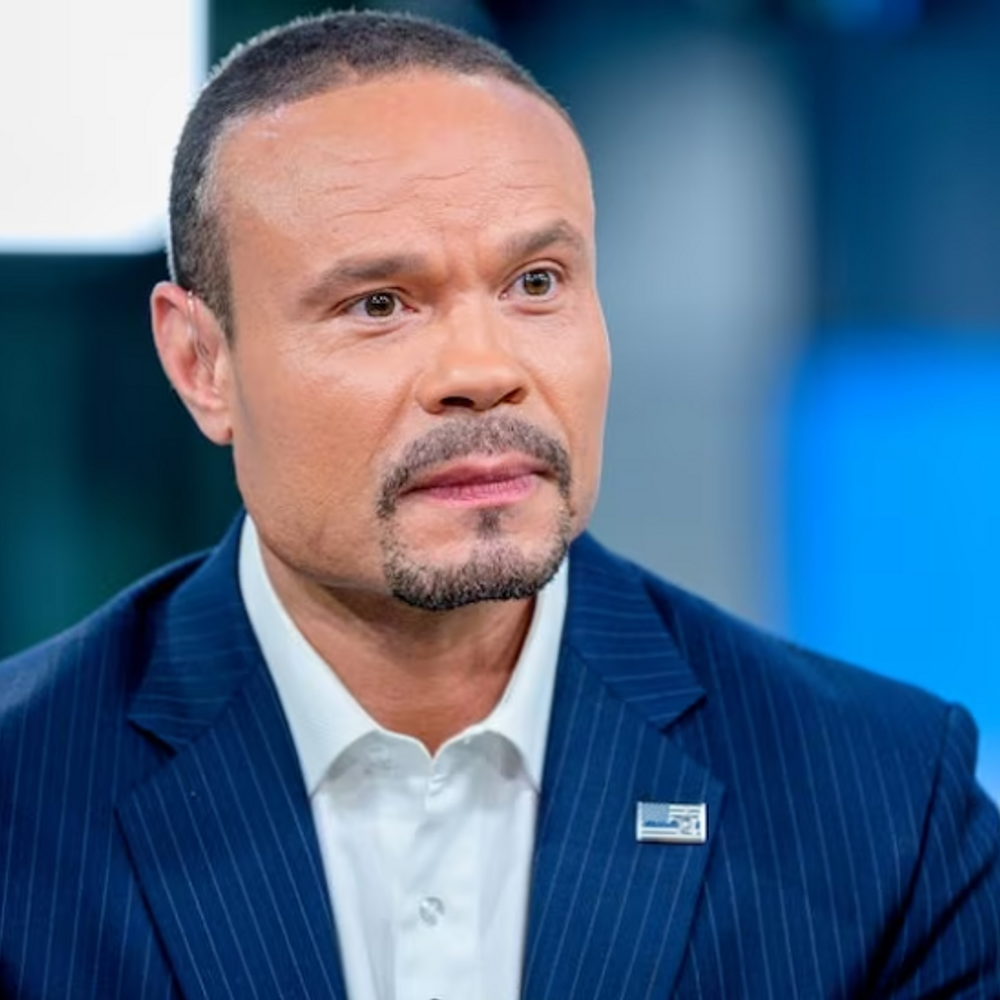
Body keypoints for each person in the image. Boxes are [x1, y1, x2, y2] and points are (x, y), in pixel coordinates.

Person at [0, 10, 997, 999]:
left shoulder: (886, 806)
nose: (484, 370)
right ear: (200, 362)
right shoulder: (21, 795)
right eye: (379, 303)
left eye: (536, 282)